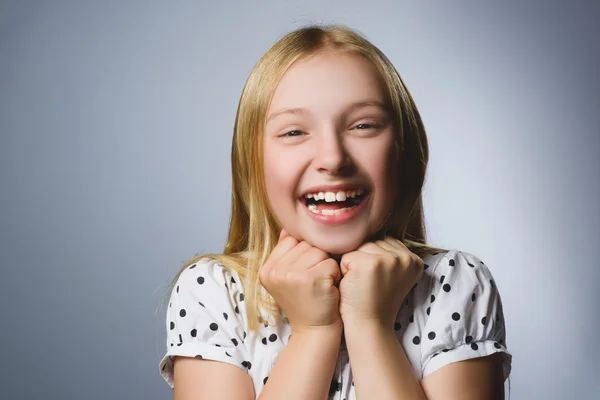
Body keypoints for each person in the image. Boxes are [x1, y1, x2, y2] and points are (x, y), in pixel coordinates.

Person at [158, 24, 512, 399]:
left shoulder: (455, 284)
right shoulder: (213, 292)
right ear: (252, 161)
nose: (333, 158)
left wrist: (370, 326)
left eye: (363, 126)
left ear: (405, 152)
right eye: (294, 132)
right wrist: (314, 331)